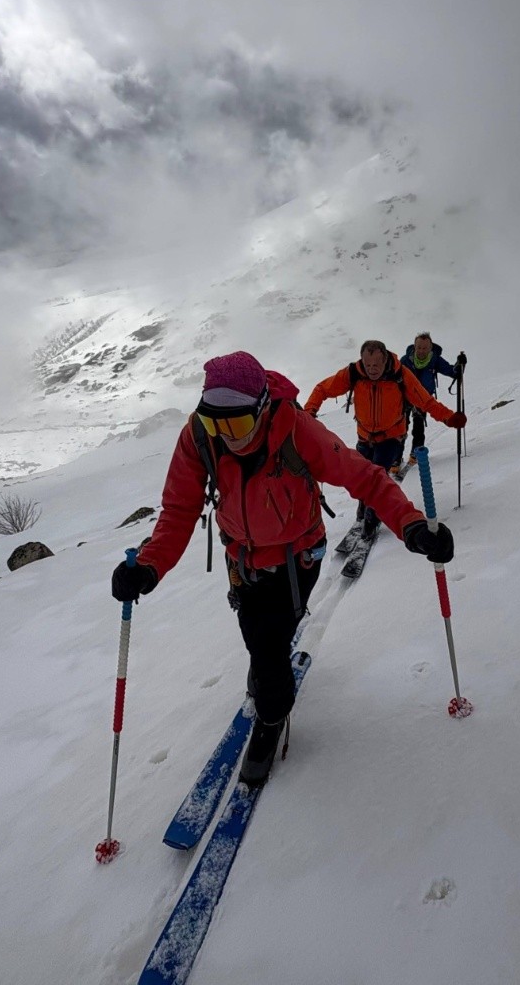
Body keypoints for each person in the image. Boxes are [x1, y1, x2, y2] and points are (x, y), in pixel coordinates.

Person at [111, 351, 456, 787]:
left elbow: (365, 478)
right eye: (216, 424)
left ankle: (271, 718)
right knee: (259, 637)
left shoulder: (296, 428)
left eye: (235, 424)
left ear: (261, 408)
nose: (227, 437)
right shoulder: (200, 435)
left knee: (269, 642)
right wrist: (148, 567)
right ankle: (268, 673)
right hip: (241, 560)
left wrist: (411, 526)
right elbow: (180, 510)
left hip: (299, 558)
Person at [304, 339, 466, 536]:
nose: (372, 369)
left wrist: (448, 418)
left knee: (376, 477)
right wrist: (309, 412)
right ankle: (363, 511)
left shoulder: (400, 374)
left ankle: (370, 523)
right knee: (361, 477)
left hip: (391, 437)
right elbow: (322, 388)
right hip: (364, 436)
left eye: (376, 365)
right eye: (368, 364)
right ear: (361, 360)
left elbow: (426, 401)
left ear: (385, 360)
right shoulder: (353, 373)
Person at [399, 332, 464, 465]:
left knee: (418, 426)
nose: (422, 351)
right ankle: (396, 456)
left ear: (430, 348)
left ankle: (415, 453)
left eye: (425, 348)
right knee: (400, 427)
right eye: (419, 348)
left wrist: (460, 365)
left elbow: (452, 372)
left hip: (423, 399)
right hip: (405, 397)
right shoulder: (405, 360)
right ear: (415, 347)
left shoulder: (435, 360)